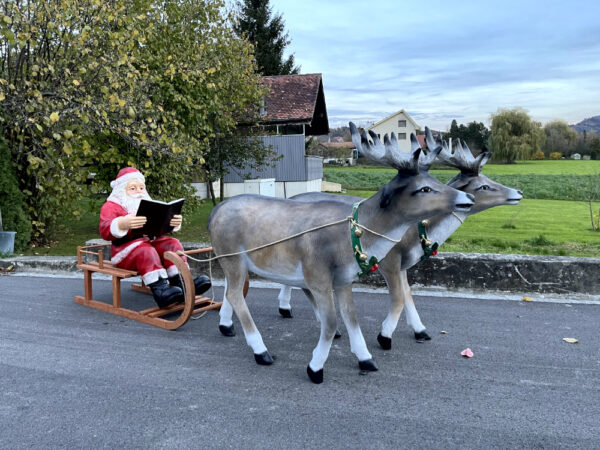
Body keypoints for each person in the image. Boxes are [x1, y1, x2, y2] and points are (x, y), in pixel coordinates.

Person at [99, 167, 211, 307]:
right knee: (146, 251)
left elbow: (159, 228)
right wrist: (122, 223)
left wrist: (171, 221)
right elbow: (104, 230)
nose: (139, 192)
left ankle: (183, 282)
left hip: (149, 242)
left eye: (141, 188)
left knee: (172, 244)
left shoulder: (148, 205)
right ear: (121, 190)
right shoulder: (111, 206)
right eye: (133, 188)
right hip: (125, 250)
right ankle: (161, 291)